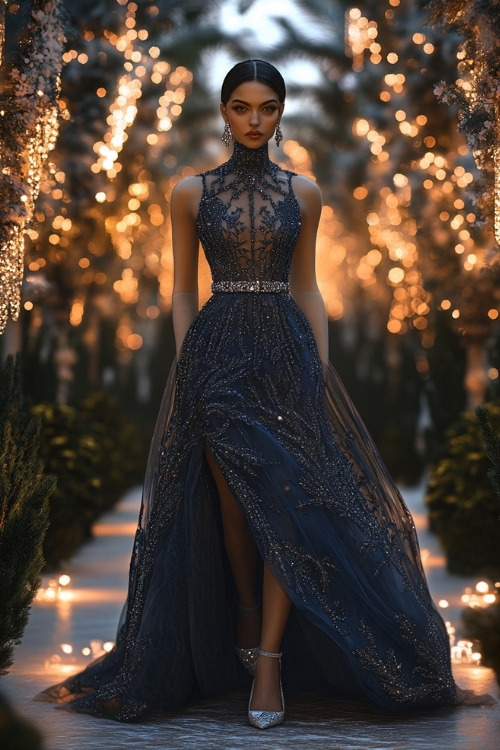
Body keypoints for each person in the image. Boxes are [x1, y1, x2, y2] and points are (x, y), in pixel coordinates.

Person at [36, 59, 493, 728]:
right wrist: (191, 363)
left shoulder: (304, 192)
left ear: (281, 113)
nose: (255, 120)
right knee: (230, 506)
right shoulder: (188, 192)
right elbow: (183, 291)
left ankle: (270, 661)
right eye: (243, 107)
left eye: (268, 107)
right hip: (217, 351)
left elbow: (309, 286)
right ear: (223, 111)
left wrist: (320, 373)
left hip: (286, 353)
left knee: (289, 506)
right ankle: (245, 617)